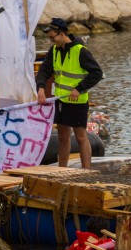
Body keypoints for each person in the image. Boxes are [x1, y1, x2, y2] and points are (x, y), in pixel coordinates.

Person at [36, 17, 103, 168]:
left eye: (53, 37)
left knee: (80, 138)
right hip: (61, 101)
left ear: (62, 34)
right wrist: (40, 88)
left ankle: (87, 171)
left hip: (77, 102)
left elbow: (97, 73)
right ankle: (62, 171)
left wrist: (79, 89)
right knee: (62, 137)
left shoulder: (80, 51)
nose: (51, 40)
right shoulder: (53, 51)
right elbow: (44, 71)